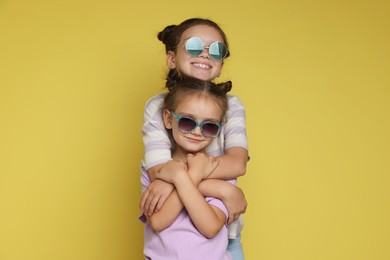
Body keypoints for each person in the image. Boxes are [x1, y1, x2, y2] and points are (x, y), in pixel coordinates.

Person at [140, 18, 249, 259]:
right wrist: (221, 188)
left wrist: (176, 176)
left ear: (221, 64)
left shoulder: (232, 106)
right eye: (193, 46)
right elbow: (159, 172)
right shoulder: (158, 106)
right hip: (168, 241)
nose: (205, 55)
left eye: (216, 50)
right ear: (171, 58)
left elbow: (237, 163)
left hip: (224, 236)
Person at [140, 77, 235, 259]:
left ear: (219, 128)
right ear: (168, 119)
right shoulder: (155, 171)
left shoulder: (221, 171)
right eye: (187, 122)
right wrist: (190, 175)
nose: (197, 131)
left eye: (209, 125)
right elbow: (159, 221)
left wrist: (182, 177)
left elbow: (210, 227)